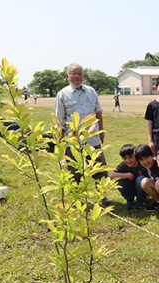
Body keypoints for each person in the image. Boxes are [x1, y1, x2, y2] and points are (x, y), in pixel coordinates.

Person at [55, 62, 111, 205]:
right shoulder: (62, 94)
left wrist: (101, 132)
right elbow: (59, 120)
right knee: (74, 171)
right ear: (68, 76)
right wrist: (62, 141)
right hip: (73, 140)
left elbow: (98, 112)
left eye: (80, 73)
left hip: (93, 138)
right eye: (74, 73)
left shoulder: (91, 91)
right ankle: (76, 199)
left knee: (99, 167)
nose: (77, 76)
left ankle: (102, 196)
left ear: (83, 76)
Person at [134, 144, 159, 217]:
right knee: (144, 182)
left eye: (147, 158)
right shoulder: (143, 168)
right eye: (142, 160)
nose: (145, 161)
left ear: (152, 155)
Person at [109, 144, 147, 209]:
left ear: (136, 156)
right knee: (119, 181)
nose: (128, 161)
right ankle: (130, 200)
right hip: (130, 187)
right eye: (125, 158)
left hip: (142, 188)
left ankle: (140, 201)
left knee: (140, 179)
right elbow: (111, 176)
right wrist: (128, 175)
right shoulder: (123, 165)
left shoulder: (141, 162)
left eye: (130, 157)